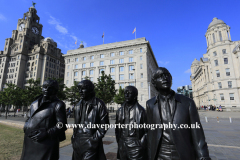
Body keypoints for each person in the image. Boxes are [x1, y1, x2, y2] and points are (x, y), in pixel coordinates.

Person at [146, 67, 211, 160]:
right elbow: (150, 132)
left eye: (167, 75)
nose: (164, 78)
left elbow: (198, 134)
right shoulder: (150, 104)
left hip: (182, 153)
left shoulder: (187, 102)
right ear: (154, 83)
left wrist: (203, 156)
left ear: (171, 79)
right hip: (159, 154)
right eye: (160, 76)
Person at [21, 80, 67, 160]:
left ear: (55, 90)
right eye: (45, 87)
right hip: (29, 141)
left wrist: (47, 133)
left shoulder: (58, 104)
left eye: (50, 88)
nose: (46, 89)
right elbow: (29, 118)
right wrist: (26, 126)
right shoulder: (34, 103)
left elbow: (62, 124)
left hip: (46, 144)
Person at [72, 80, 109, 160]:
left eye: (83, 89)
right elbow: (76, 125)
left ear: (90, 89)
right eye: (79, 89)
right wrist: (74, 138)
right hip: (77, 141)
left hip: (91, 140)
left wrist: (94, 139)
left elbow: (104, 124)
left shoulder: (99, 104)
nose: (80, 91)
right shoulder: (77, 105)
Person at [115, 86, 147, 160]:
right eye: (125, 93)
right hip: (122, 143)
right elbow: (117, 128)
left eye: (129, 93)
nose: (126, 95)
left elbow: (147, 131)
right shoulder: (119, 111)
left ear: (135, 96)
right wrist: (119, 141)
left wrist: (141, 144)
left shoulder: (141, 111)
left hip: (136, 144)